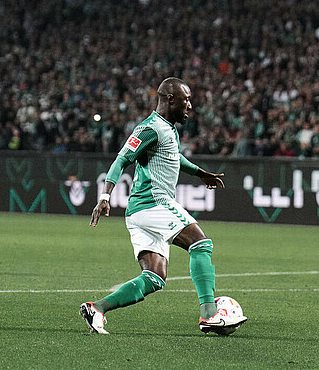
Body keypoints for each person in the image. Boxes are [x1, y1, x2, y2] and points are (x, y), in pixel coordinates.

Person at [81, 77, 246, 335]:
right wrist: (105, 196)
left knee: (155, 277)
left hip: (139, 213)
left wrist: (199, 172)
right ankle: (210, 315)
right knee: (200, 244)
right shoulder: (150, 128)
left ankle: (97, 308)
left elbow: (173, 156)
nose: (190, 105)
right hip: (152, 203)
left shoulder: (167, 129)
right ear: (171, 99)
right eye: (186, 99)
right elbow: (121, 159)